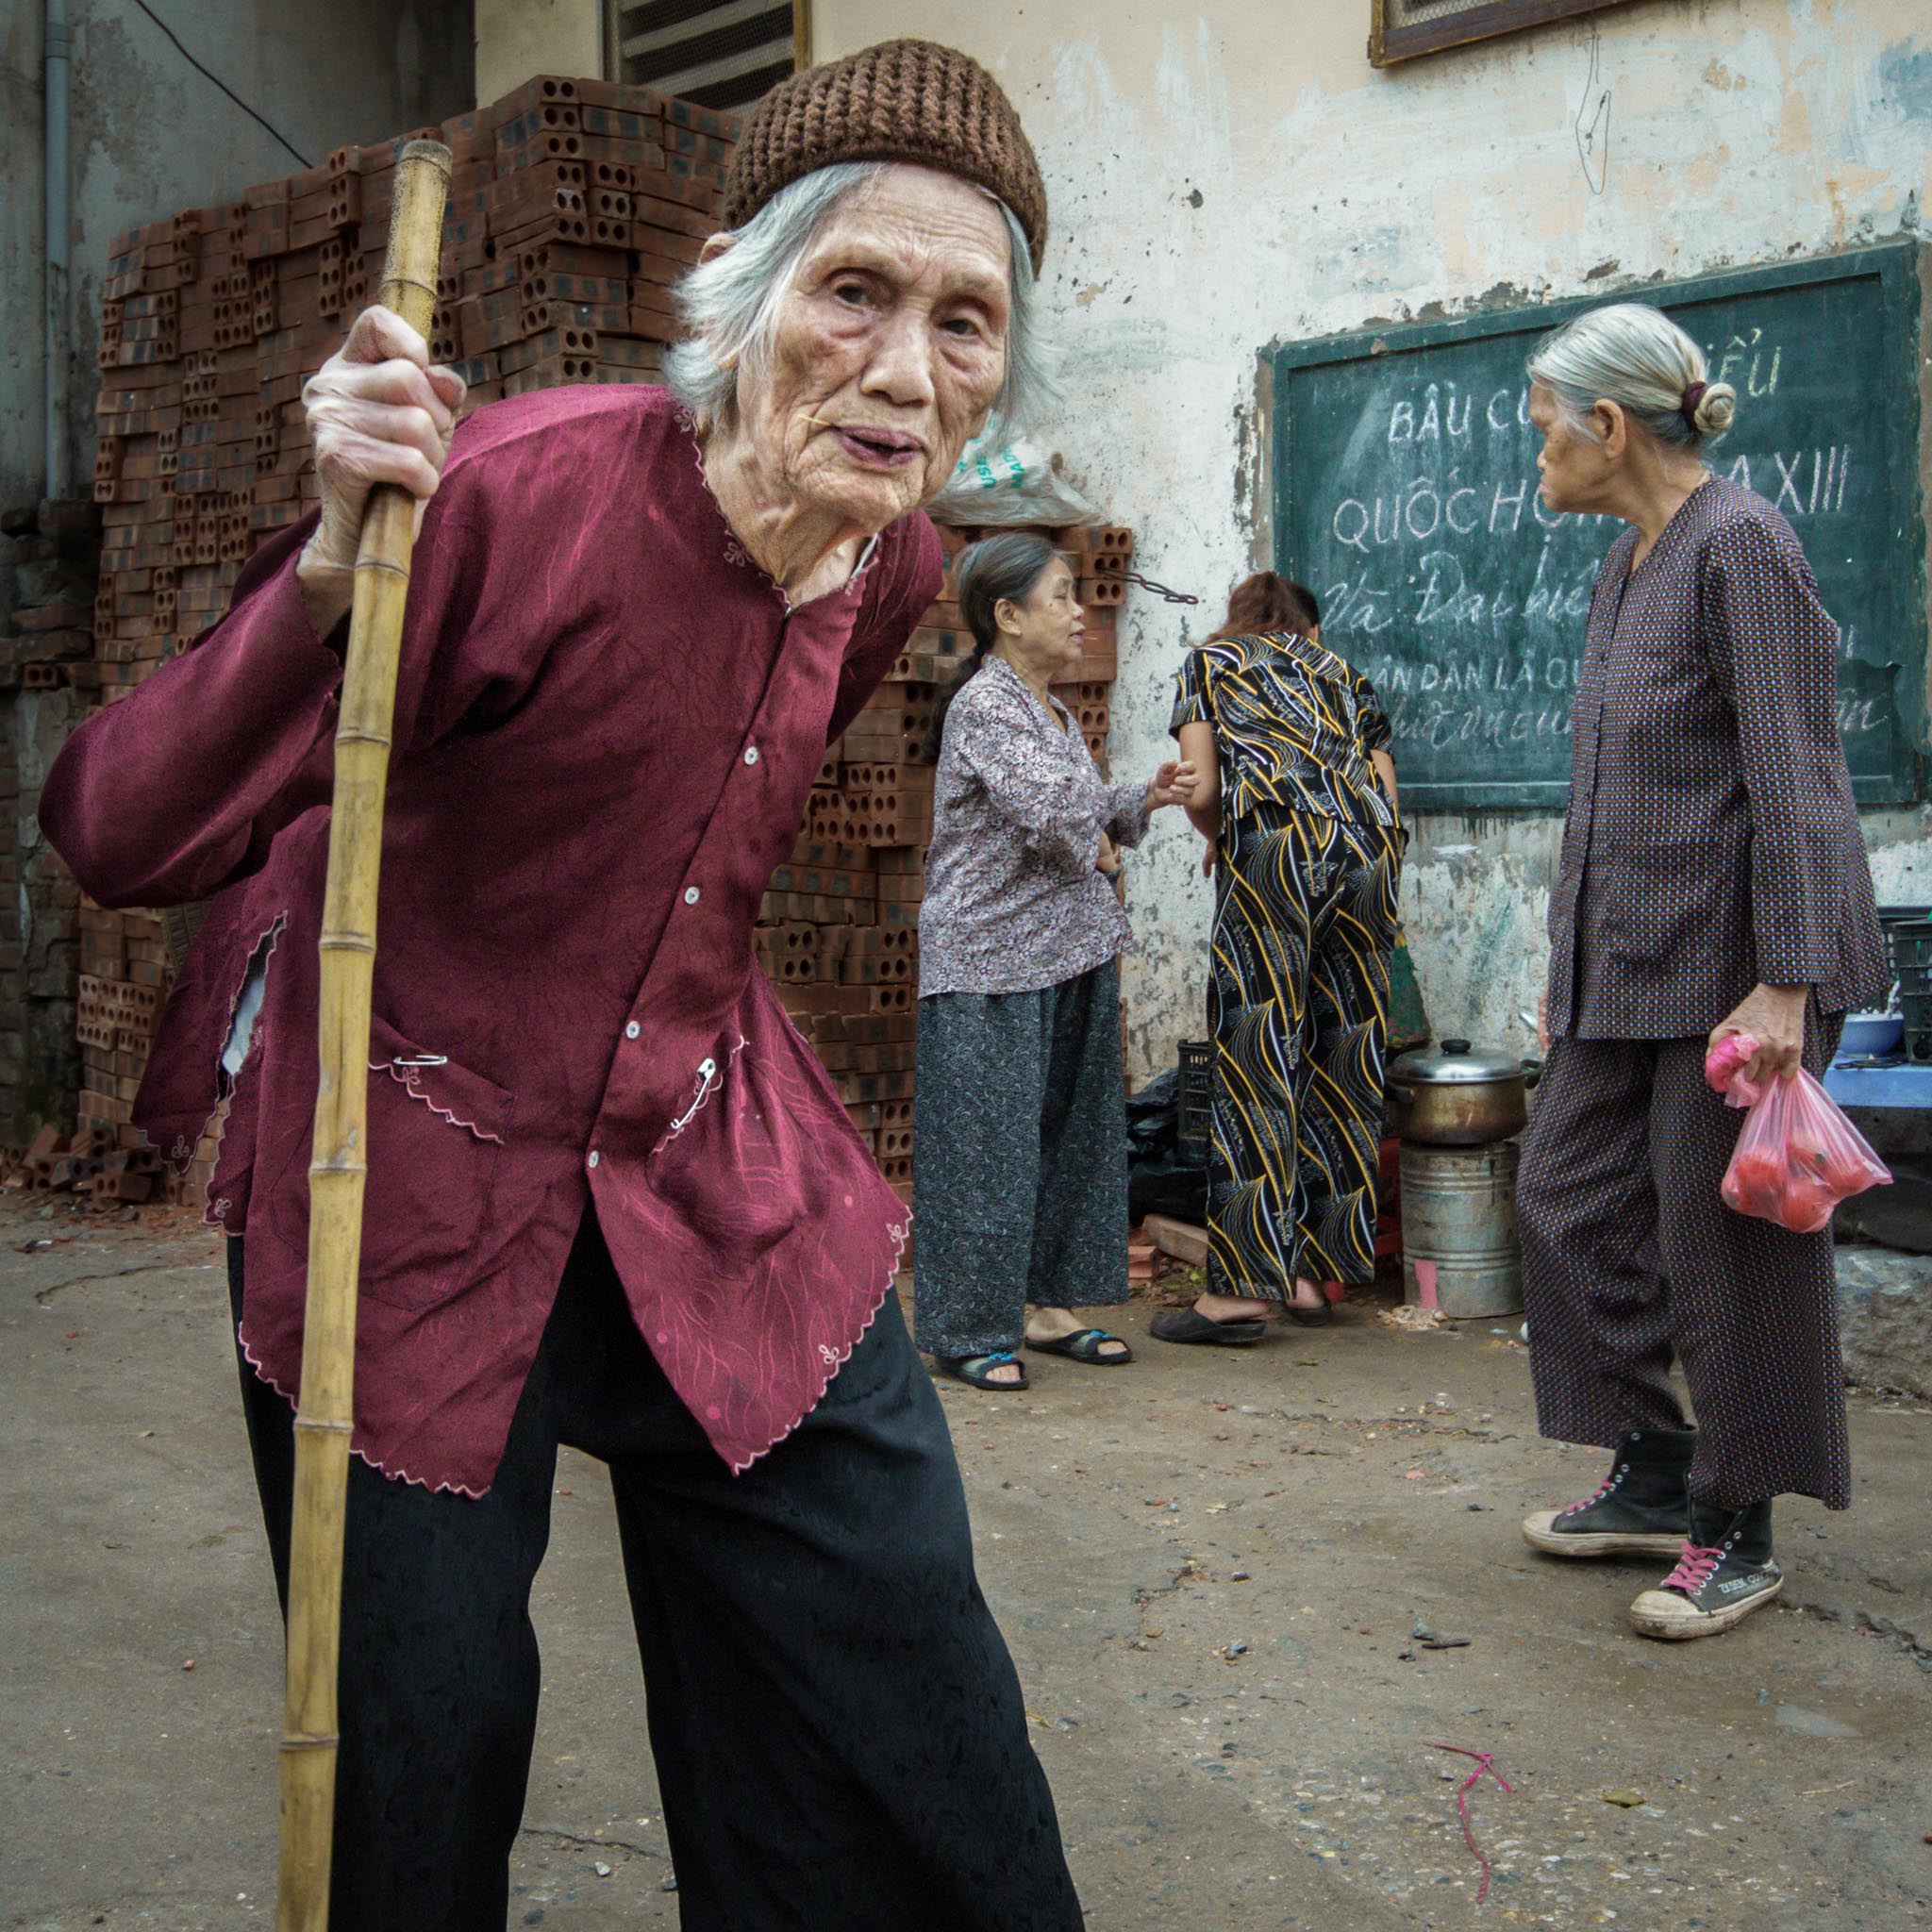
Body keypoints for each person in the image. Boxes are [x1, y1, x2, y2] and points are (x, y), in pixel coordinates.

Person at [41, 41, 1091, 1930]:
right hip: (408, 1165)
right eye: (852, 290)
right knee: (414, 1767)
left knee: (900, 1712)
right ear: (740, 298)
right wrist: (320, 585)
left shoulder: (895, 556)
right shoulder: (511, 504)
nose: (904, 369)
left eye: (966, 317)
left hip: (710, 1156)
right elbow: (118, 824)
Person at [1513, 301, 1887, 1641]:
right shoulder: (1628, 562)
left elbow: (1798, 774)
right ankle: (1660, 1463)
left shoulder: (1742, 547)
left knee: (1724, 1242)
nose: (1536, 452)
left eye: (1545, 425)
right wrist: (1566, 969)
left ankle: (1741, 1521)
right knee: (1561, 1196)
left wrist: (1787, 981)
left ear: (1609, 425)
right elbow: (1616, 788)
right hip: (1629, 961)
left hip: (1741, 965)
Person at [913, 533, 1194, 1390]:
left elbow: (1079, 803)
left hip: (1067, 953)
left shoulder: (1053, 711)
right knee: (984, 1147)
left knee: (1070, 1139)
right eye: (1063, 596)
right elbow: (1049, 808)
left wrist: (1138, 799)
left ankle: (1045, 1305)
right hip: (988, 959)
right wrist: (1101, 837)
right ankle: (966, 1330)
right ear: (1008, 615)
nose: (1079, 613)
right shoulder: (987, 706)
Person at [1153, 573, 1403, 1346]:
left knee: (1258, 1052)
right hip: (1367, 855)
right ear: (1310, 626)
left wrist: (1226, 842)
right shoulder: (1344, 676)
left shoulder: (1211, 663)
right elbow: (1387, 794)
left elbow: (1201, 791)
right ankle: (1308, 1271)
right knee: (1340, 1049)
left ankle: (1237, 1295)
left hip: (1277, 847)